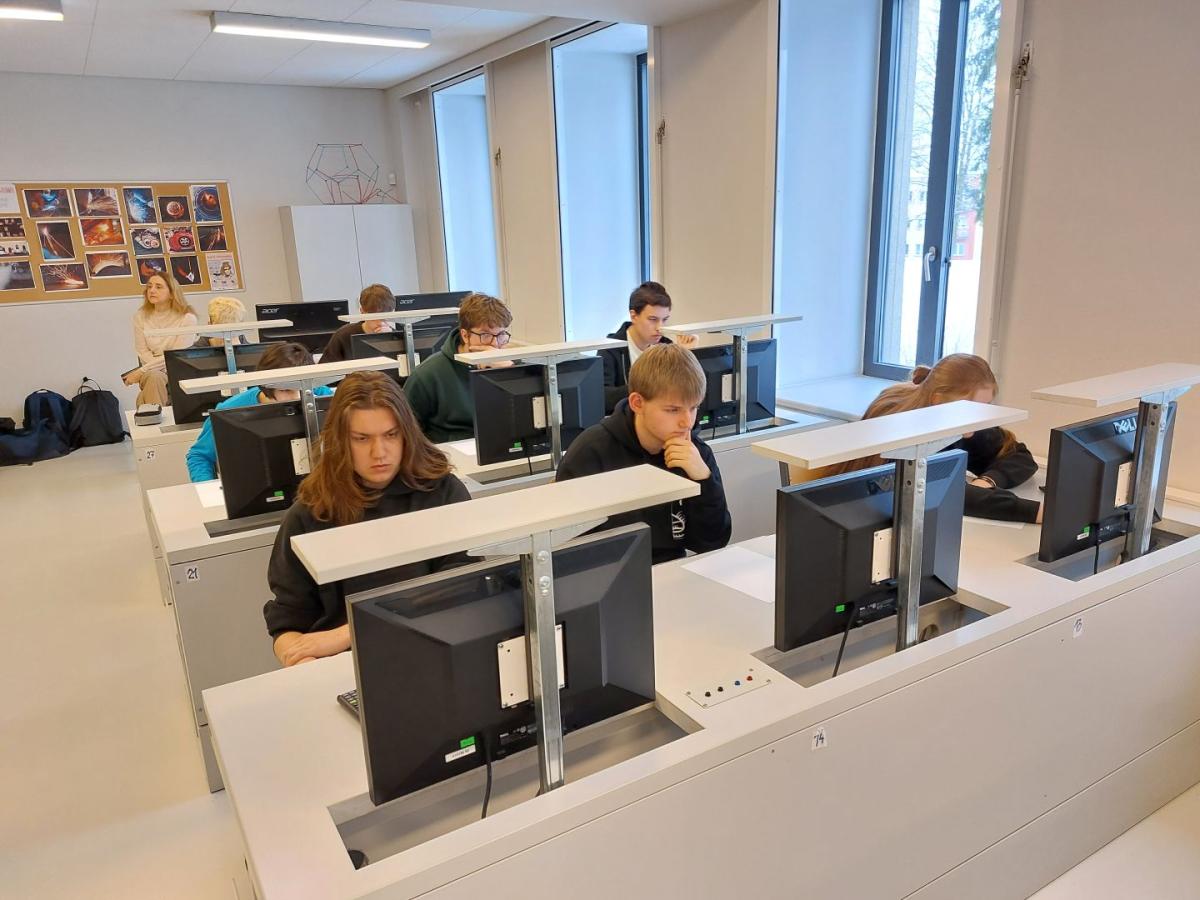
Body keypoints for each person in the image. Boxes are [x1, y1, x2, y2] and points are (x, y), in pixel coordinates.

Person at [264, 371, 472, 667]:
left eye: (391, 435)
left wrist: (349, 633)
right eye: (362, 439)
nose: (379, 452)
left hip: (432, 649)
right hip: (345, 665)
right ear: (340, 442)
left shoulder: (442, 492)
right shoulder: (309, 514)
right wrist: (299, 659)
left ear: (407, 434)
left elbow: (461, 586)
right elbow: (288, 619)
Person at [556, 343, 732, 564]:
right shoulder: (591, 452)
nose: (687, 422)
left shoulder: (695, 453)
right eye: (673, 410)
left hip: (671, 569)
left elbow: (713, 542)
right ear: (637, 403)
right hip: (610, 574)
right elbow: (569, 549)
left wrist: (704, 481)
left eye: (693, 408)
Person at [824, 353, 1041, 523]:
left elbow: (1019, 456)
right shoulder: (905, 433)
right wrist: (1035, 512)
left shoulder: (962, 423)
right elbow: (939, 490)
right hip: (863, 516)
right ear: (938, 401)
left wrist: (987, 481)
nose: (979, 418)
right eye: (973, 408)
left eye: (985, 408)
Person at [185, 342, 332, 483]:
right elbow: (199, 457)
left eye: (301, 389)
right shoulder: (230, 410)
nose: (297, 397)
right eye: (286, 390)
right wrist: (209, 491)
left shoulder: (319, 394)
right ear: (267, 386)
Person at [403, 292, 514, 443]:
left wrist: (509, 372)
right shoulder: (428, 374)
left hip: (502, 447)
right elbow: (406, 431)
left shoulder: (509, 365)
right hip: (451, 452)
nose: (495, 344)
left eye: (501, 335)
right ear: (465, 335)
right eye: (486, 335)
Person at [598, 281, 697, 414]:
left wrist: (683, 356)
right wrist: (648, 385)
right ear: (634, 316)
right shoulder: (611, 349)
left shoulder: (666, 346)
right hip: (626, 421)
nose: (659, 328)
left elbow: (682, 394)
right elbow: (604, 398)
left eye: (664, 320)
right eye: (653, 319)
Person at [123, 272, 198, 406]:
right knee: (154, 376)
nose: (152, 290)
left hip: (178, 368)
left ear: (172, 293)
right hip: (151, 369)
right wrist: (152, 368)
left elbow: (176, 356)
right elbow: (142, 351)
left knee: (143, 397)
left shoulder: (187, 318)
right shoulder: (140, 316)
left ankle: (149, 412)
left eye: (158, 287)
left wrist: (141, 371)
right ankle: (155, 416)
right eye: (149, 286)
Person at [320, 284, 397, 363]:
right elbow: (324, 367)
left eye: (386, 317)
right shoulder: (343, 335)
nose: (381, 323)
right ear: (362, 312)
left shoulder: (397, 337)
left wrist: (389, 340)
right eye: (374, 317)